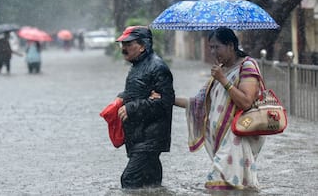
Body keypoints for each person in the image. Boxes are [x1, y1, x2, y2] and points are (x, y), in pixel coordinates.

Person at [172, 27, 266, 190]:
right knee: (233, 187)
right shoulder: (220, 71)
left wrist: (223, 80)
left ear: (230, 46)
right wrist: (167, 99)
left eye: (217, 47)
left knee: (219, 185)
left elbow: (246, 102)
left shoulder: (247, 66)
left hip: (238, 137)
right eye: (211, 47)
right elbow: (197, 103)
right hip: (222, 141)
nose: (213, 52)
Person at [114, 26, 175, 189]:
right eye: (122, 44)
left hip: (150, 137)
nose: (124, 49)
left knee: (129, 180)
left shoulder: (158, 67)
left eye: (128, 44)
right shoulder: (138, 65)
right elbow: (140, 91)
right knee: (151, 183)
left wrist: (131, 108)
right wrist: (124, 96)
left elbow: (165, 102)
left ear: (142, 46)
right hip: (139, 134)